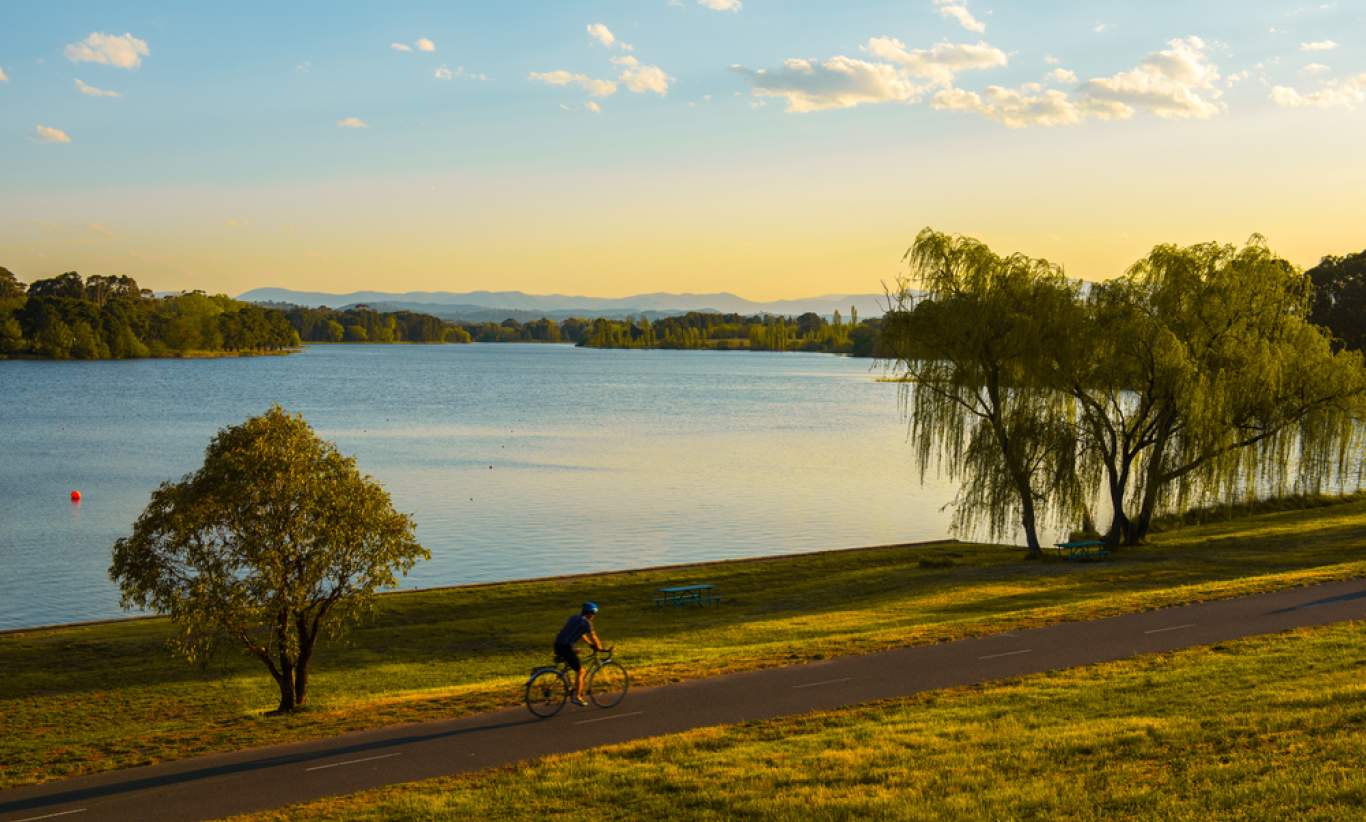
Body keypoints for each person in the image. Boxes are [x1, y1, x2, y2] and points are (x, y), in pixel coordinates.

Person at [554, 601, 605, 706]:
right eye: (594, 614)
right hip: (566, 647)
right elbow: (593, 636)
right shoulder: (587, 623)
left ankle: (570, 686)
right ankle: (577, 697)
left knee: (576, 654)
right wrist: (599, 648)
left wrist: (590, 644)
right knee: (581, 671)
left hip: (558, 645)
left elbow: (581, 634)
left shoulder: (574, 617)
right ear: (590, 613)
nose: (594, 616)